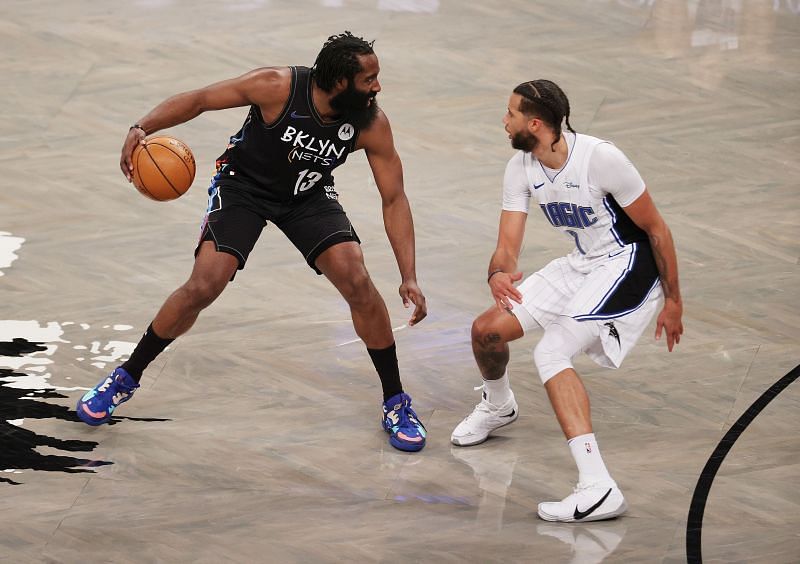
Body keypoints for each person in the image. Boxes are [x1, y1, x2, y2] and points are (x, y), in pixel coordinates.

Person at [76, 32, 429, 452]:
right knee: (204, 284)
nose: (378, 87)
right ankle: (126, 376)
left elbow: (394, 198)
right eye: (369, 79)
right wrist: (141, 127)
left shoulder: (370, 122)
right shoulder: (277, 86)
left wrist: (409, 275)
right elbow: (201, 99)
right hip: (243, 188)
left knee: (357, 281)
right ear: (339, 83)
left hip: (307, 195)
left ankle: (395, 400)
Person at [450, 79, 683, 521]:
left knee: (553, 351)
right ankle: (499, 406)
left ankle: (598, 487)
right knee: (487, 332)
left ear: (534, 123)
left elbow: (657, 230)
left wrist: (674, 300)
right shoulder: (520, 167)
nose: (504, 121)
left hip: (628, 265)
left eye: (511, 114)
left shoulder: (601, 159)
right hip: (581, 262)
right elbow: (507, 245)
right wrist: (498, 272)